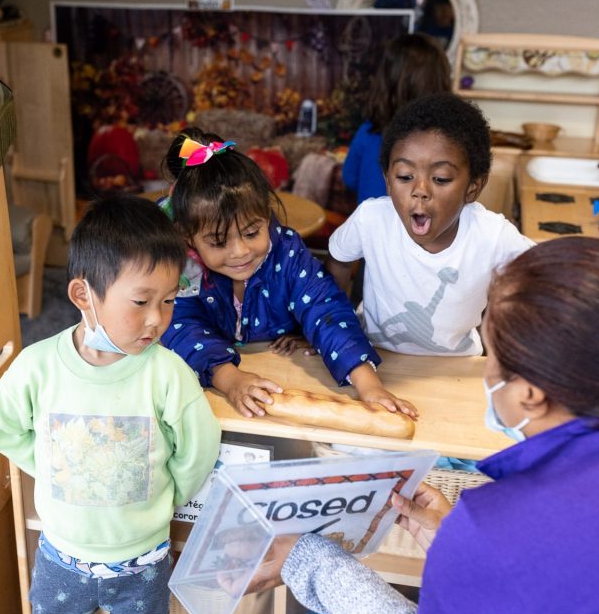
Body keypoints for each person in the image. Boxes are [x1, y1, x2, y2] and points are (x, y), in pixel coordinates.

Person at [249, 237, 599, 614]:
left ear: (530, 393)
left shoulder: (500, 530)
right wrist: (466, 545)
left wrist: (308, 557)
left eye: (490, 360)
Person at [0, 194, 221, 614]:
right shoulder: (37, 367)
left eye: (169, 300)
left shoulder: (167, 372)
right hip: (61, 558)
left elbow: (199, 445)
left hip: (145, 563)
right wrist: (51, 466)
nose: (157, 319)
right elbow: (4, 426)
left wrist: (169, 491)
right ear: (83, 295)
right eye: (141, 301)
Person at [159, 129, 416, 421]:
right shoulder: (179, 269)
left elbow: (325, 307)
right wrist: (229, 379)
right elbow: (180, 326)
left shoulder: (287, 252)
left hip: (287, 369)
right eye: (218, 242)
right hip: (218, 399)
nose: (240, 251)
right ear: (188, 238)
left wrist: (368, 384)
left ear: (266, 215)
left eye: (252, 232)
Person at [328, 93, 532, 358]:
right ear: (388, 180)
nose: (420, 190)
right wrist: (331, 327)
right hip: (374, 357)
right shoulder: (371, 219)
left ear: (473, 187)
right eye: (404, 176)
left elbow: (547, 274)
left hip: (457, 369)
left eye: (440, 178)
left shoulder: (492, 236)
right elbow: (339, 261)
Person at [342, 33, 450, 208]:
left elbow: (350, 179)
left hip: (370, 233)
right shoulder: (448, 142)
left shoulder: (369, 132)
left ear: (384, 82)